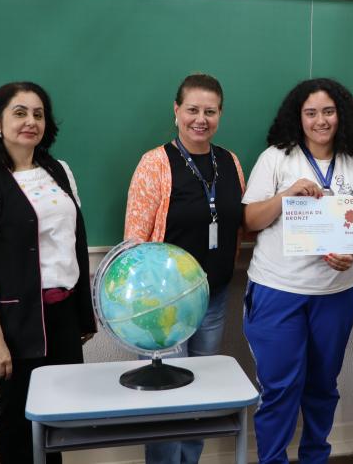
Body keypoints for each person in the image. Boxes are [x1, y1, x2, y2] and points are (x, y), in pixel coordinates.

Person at [0, 82, 96, 464]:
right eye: (19, 113)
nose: (30, 121)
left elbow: (71, 245)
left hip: (63, 315)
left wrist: (83, 314)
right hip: (15, 324)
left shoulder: (60, 172)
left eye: (38, 114)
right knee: (21, 423)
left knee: (57, 421)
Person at [242, 78, 353, 464]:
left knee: (322, 387)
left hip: (336, 294)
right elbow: (251, 220)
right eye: (311, 113)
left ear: (341, 115)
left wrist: (351, 253)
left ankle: (315, 457)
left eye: (329, 112)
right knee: (280, 388)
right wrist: (287, 195)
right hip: (278, 289)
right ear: (298, 117)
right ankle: (272, 459)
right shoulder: (276, 158)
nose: (321, 120)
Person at [124, 73, 245, 464]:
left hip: (213, 297)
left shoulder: (230, 162)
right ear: (176, 111)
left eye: (210, 111)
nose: (201, 119)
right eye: (192, 110)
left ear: (220, 114)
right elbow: (134, 243)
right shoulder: (155, 163)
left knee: (200, 395)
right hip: (165, 307)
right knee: (165, 396)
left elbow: (238, 222)